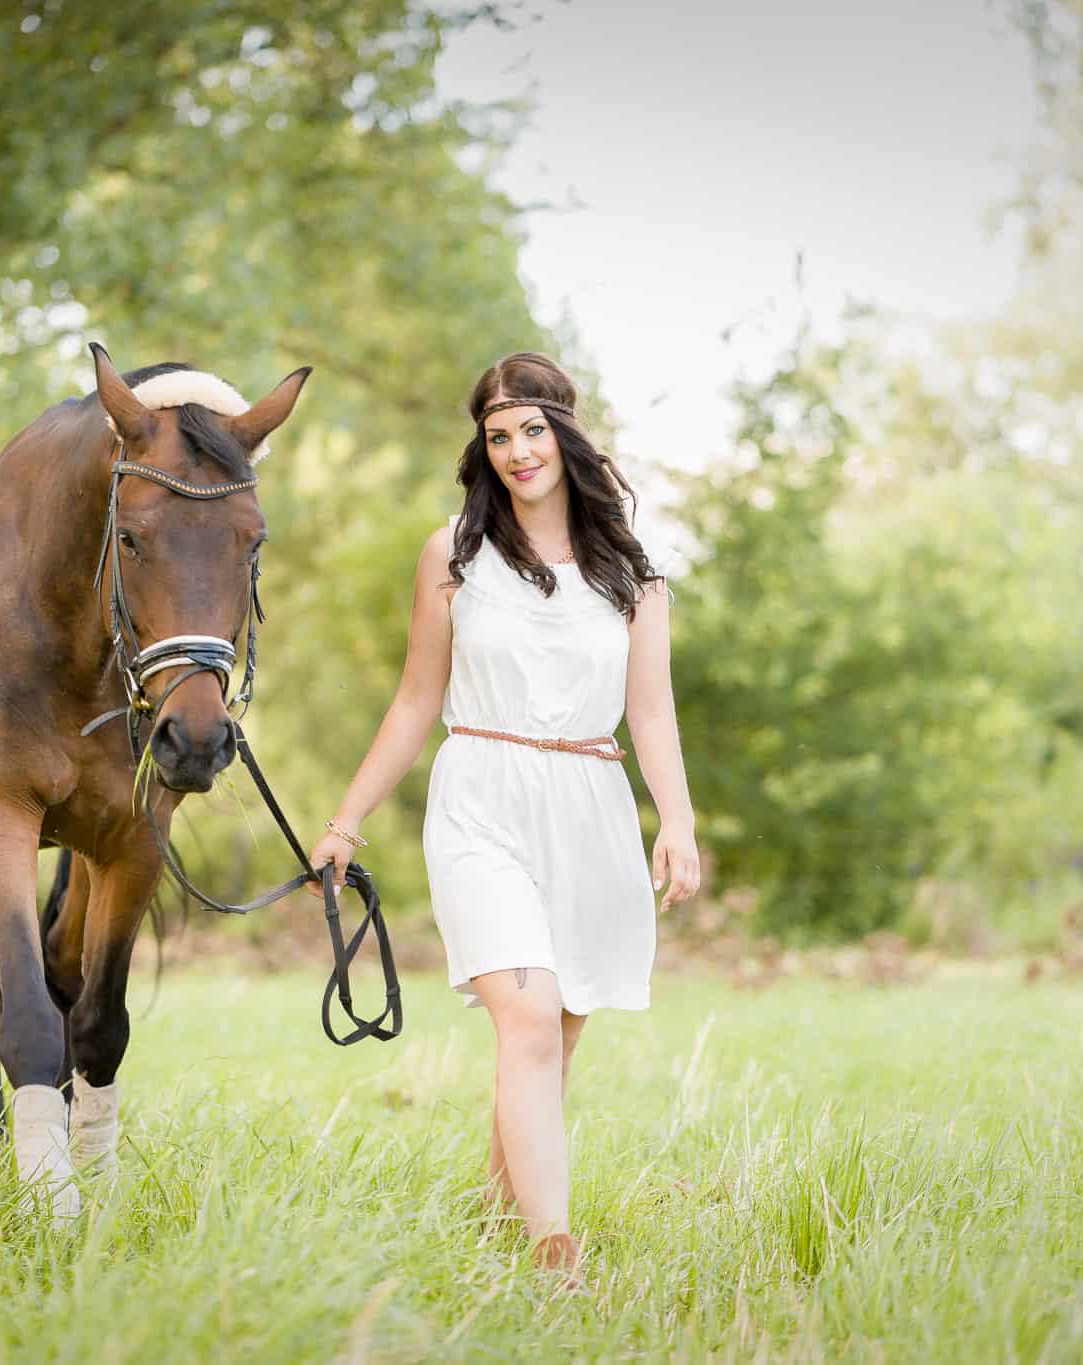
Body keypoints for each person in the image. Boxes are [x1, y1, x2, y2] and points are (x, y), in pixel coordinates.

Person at [306, 351, 701, 1289]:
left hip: (590, 802)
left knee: (553, 1034)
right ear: (482, 449)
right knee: (523, 1017)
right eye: (497, 435)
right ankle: (556, 1255)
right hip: (480, 792)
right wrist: (346, 821)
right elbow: (413, 701)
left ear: (565, 434)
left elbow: (651, 713)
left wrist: (677, 822)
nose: (517, 450)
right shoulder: (453, 554)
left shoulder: (636, 581)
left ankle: (494, 1215)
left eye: (531, 429)